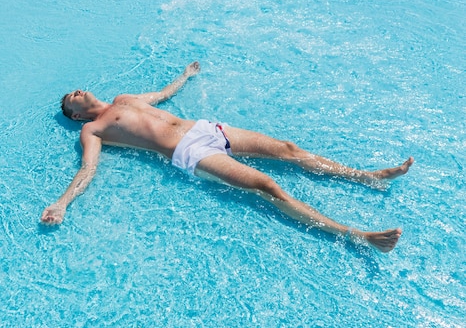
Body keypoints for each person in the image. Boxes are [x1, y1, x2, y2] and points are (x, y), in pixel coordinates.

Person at [42, 62, 413, 252]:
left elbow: (162, 95)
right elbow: (88, 167)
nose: (74, 93)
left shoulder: (124, 99)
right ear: (75, 116)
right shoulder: (94, 130)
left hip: (204, 128)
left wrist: (184, 76)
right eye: (69, 100)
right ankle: (357, 235)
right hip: (190, 152)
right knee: (268, 186)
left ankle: (368, 176)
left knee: (288, 149)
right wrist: (62, 203)